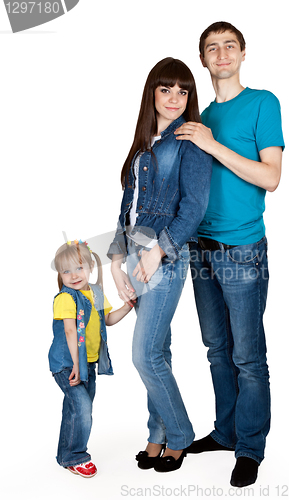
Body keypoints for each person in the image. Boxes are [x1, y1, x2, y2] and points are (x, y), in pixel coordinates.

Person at [175, 22, 285, 487]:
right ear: (202, 59)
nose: (221, 54)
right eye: (212, 48)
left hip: (242, 249)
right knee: (217, 350)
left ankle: (250, 448)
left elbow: (271, 177)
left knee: (248, 357)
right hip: (200, 247)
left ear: (242, 54)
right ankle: (225, 432)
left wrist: (210, 144)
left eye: (229, 46)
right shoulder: (195, 116)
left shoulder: (262, 103)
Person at [108, 57, 212, 473]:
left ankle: (180, 435)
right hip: (134, 254)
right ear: (152, 92)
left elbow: (194, 207)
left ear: (190, 97)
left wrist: (158, 250)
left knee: (144, 353)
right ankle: (157, 433)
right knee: (160, 350)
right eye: (166, 89)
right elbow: (127, 207)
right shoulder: (143, 142)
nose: (174, 99)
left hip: (164, 257)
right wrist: (117, 262)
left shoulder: (191, 141)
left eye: (182, 91)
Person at [49, 240, 132, 478]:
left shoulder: (96, 293)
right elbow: (70, 331)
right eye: (66, 271)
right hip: (68, 364)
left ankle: (65, 455)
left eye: (79, 268)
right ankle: (77, 456)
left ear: (90, 267)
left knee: (75, 409)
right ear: (59, 274)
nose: (74, 275)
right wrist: (76, 364)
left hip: (89, 363)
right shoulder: (65, 298)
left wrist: (126, 307)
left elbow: (108, 320)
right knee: (82, 407)